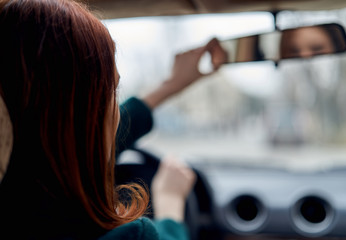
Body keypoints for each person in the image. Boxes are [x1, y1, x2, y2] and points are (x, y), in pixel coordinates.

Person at [0, 0, 225, 239]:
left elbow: (79, 138)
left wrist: (171, 85)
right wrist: (171, 205)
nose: (116, 110)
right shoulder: (132, 235)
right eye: (112, 92)